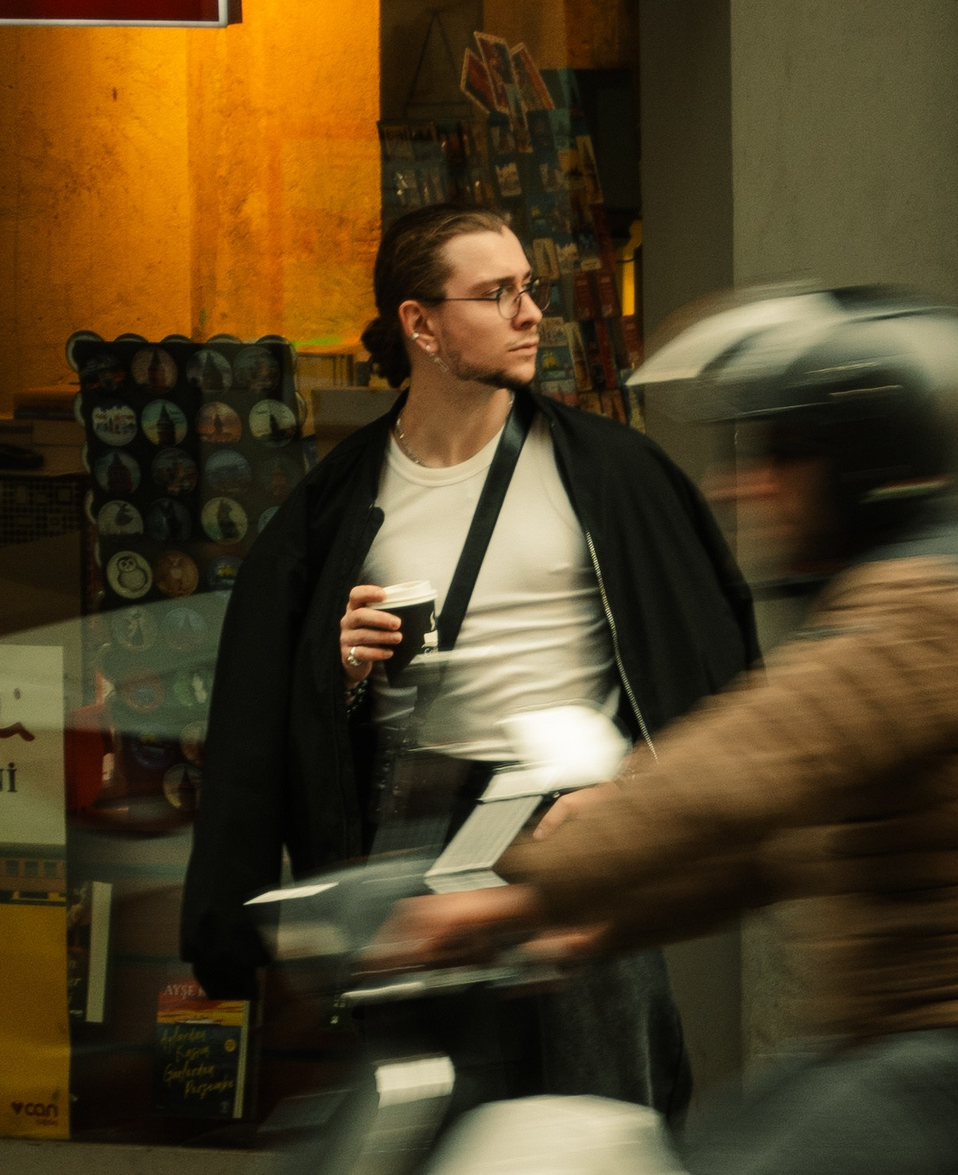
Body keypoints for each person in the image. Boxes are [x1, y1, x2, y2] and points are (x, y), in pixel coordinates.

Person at [375, 287, 958, 1175]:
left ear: (866, 464)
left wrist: (532, 871)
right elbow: (776, 850)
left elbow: (738, 773)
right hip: (912, 1046)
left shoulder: (936, 608)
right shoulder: (921, 591)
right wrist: (560, 918)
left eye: (780, 453)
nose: (739, 485)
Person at [181, 203, 759, 1115]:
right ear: (421, 325)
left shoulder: (612, 473)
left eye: (529, 288)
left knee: (601, 1117)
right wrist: (341, 671)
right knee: (434, 1118)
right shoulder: (337, 506)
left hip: (576, 828)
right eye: (497, 294)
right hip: (423, 839)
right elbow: (266, 712)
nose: (533, 313)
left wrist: (641, 795)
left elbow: (716, 662)